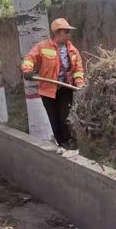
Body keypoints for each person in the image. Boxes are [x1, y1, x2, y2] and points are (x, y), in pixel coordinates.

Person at [22, 18, 85, 151]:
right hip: (48, 90)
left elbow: (78, 69)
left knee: (65, 116)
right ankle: (61, 143)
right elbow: (29, 58)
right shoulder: (42, 47)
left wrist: (79, 82)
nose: (69, 34)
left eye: (69, 32)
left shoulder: (73, 50)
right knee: (54, 117)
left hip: (65, 88)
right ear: (57, 33)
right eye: (66, 32)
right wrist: (27, 70)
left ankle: (70, 142)